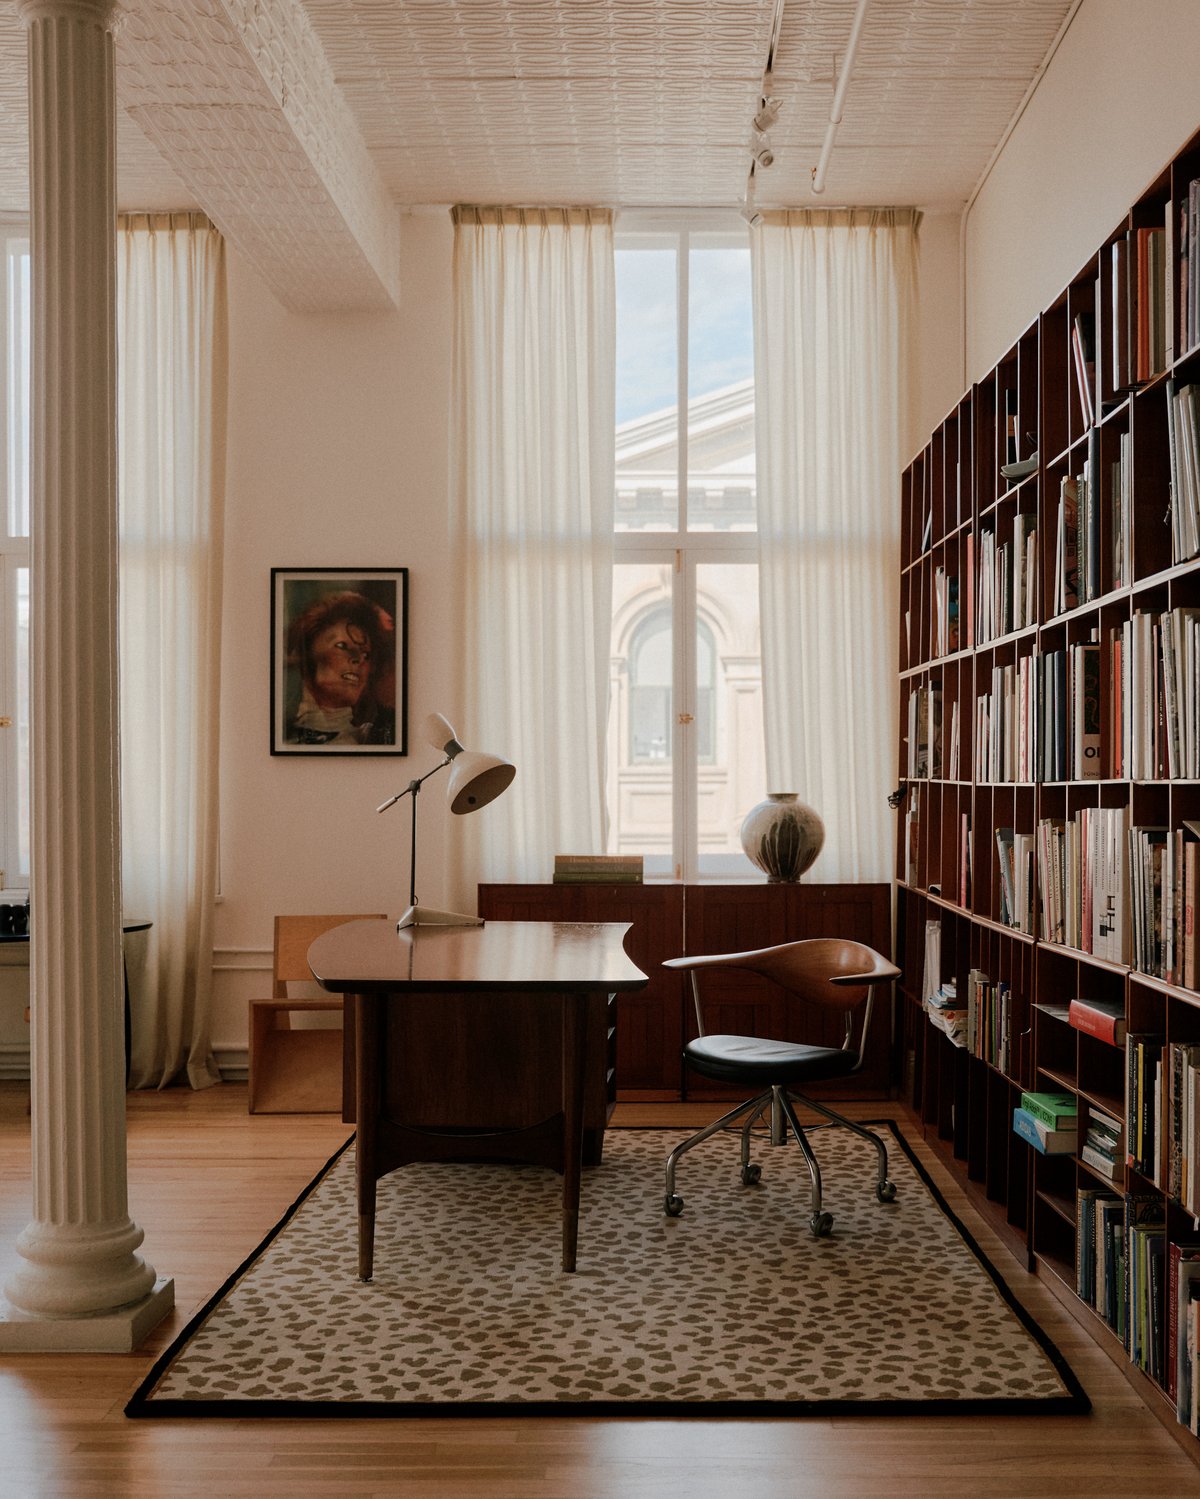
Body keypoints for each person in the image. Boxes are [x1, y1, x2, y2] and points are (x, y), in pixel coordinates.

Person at [284, 590, 396, 746]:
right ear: (308, 651)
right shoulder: (281, 736)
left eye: (366, 654)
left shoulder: (377, 738)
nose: (359, 659)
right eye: (342, 646)